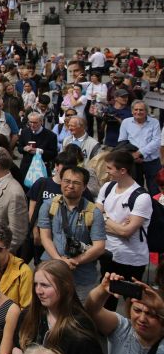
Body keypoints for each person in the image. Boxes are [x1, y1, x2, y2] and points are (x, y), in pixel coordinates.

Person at [11, 260, 109, 354]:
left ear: (65, 287)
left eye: (45, 285)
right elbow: (17, 346)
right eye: (36, 284)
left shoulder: (79, 334)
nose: (38, 291)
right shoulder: (28, 315)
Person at [38, 164, 106, 302]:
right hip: (50, 271)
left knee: (79, 316)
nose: (70, 186)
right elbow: (45, 237)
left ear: (85, 186)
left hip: (82, 276)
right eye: (66, 181)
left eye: (76, 183)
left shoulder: (94, 212)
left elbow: (99, 247)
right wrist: (59, 260)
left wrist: (75, 261)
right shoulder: (48, 205)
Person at [97, 149, 153, 311]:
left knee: (133, 305)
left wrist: (105, 218)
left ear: (123, 171)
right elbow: (95, 217)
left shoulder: (141, 197)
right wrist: (118, 225)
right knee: (107, 301)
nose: (107, 172)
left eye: (110, 168)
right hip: (108, 253)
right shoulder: (107, 187)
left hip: (131, 260)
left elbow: (126, 232)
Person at [84, 273, 164, 354]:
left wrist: (161, 307)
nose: (142, 319)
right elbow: (91, 311)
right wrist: (102, 289)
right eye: (137, 310)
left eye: (150, 314)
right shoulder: (123, 328)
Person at [118, 100, 162, 194]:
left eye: (141, 110)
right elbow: (122, 141)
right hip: (133, 162)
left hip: (152, 162)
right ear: (132, 111)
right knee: (136, 190)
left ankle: (158, 208)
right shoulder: (126, 122)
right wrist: (132, 155)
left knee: (156, 189)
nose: (138, 112)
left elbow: (156, 141)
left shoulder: (154, 122)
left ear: (146, 111)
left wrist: (140, 153)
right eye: (136, 109)